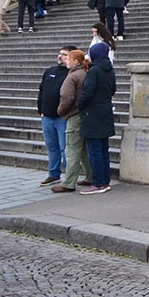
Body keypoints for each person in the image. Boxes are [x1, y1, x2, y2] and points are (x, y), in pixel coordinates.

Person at [77, 43, 116, 193]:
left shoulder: (94, 71)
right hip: (105, 110)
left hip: (93, 112)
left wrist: (80, 105)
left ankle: (98, 183)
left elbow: (87, 92)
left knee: (94, 150)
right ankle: (105, 181)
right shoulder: (109, 70)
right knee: (103, 148)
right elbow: (113, 89)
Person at [52, 48, 92, 193]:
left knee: (72, 149)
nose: (65, 60)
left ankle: (69, 182)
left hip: (74, 116)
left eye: (67, 58)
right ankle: (90, 176)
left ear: (75, 61)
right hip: (84, 114)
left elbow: (67, 98)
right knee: (82, 150)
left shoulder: (73, 76)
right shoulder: (85, 73)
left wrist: (61, 111)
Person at [37, 47, 71, 185]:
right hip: (47, 116)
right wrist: (40, 109)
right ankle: (53, 173)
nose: (60, 56)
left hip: (62, 117)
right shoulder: (50, 71)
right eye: (60, 54)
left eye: (64, 54)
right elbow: (41, 90)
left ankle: (69, 175)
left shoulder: (71, 73)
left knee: (65, 148)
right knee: (52, 146)